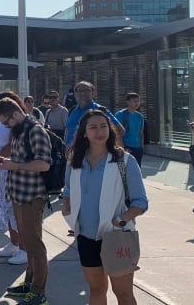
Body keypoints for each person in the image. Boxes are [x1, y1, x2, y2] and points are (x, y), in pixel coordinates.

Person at [61, 109, 148, 305]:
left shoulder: (124, 161)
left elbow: (141, 202)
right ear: (84, 132)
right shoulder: (74, 159)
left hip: (116, 236)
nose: (99, 131)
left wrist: (120, 220)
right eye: (93, 127)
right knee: (97, 289)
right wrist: (66, 207)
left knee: (123, 293)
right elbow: (67, 190)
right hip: (86, 236)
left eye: (103, 126)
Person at [0, 97, 52, 305]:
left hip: (31, 196)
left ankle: (38, 291)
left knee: (34, 244)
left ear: (15, 115)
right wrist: (7, 163)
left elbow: (44, 164)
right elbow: (20, 161)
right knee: (26, 242)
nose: (5, 126)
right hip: (18, 194)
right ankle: (29, 283)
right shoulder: (18, 131)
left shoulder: (35, 130)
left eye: (6, 122)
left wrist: (13, 165)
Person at [0, 91, 26, 265]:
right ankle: (14, 242)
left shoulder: (16, 124)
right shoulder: (1, 120)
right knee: (4, 206)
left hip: (7, 165)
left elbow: (11, 146)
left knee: (14, 209)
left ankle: (24, 248)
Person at [64, 81, 124, 148]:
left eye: (87, 90)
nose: (83, 93)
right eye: (80, 90)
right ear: (75, 94)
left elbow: (120, 130)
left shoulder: (100, 110)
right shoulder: (72, 110)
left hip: (91, 153)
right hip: (71, 153)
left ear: (93, 93)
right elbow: (68, 130)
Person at [114, 92, 146, 166]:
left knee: (137, 169)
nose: (137, 103)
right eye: (134, 101)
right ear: (128, 102)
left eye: (138, 101)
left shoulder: (140, 116)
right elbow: (116, 133)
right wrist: (122, 148)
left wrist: (141, 147)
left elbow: (141, 132)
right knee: (123, 170)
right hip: (125, 147)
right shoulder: (120, 114)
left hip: (137, 148)